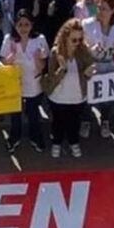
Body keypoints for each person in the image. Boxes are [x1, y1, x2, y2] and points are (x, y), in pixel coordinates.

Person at [42, 18, 96, 158]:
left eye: (80, 39)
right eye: (74, 40)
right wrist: (62, 69)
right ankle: (57, 143)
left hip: (77, 96)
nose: (77, 43)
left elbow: (89, 71)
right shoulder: (56, 52)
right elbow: (51, 78)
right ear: (65, 37)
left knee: (74, 122)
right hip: (58, 96)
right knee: (58, 122)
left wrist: (88, 73)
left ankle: (74, 142)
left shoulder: (83, 51)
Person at [0, 10, 48, 152]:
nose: (23, 28)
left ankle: (35, 137)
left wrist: (38, 59)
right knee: (15, 115)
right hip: (15, 84)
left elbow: (42, 67)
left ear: (32, 25)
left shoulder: (40, 39)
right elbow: (3, 63)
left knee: (33, 114)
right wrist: (12, 56)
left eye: (26, 24)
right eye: (20, 24)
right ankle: (14, 138)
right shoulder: (9, 39)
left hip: (34, 84)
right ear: (15, 25)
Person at [83, 0, 114, 138]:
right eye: (99, 8)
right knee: (88, 96)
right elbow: (82, 46)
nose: (100, 12)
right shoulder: (87, 24)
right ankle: (86, 120)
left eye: (104, 9)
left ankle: (105, 120)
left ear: (113, 10)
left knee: (107, 98)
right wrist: (89, 49)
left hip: (112, 68)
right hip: (93, 67)